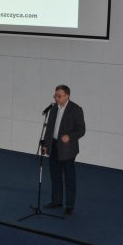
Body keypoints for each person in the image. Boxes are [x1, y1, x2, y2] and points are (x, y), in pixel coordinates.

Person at [41, 84, 86, 215]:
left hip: (67, 149)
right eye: (55, 95)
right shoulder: (54, 108)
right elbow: (49, 128)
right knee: (55, 175)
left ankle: (70, 205)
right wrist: (46, 144)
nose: (56, 98)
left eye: (59, 96)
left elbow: (81, 130)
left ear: (67, 96)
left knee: (69, 178)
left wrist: (70, 136)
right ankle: (57, 200)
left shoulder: (76, 109)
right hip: (54, 145)